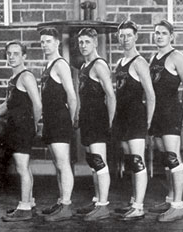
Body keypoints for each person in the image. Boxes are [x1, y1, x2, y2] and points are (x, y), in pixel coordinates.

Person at [0, 40, 42, 222]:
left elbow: (38, 104)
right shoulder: (13, 79)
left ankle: (24, 208)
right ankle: (30, 204)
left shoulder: (26, 77)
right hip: (16, 127)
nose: (12, 57)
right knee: (24, 167)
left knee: (21, 168)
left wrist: (34, 125)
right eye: (9, 53)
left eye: (16, 53)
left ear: (24, 56)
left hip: (23, 128)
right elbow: (8, 104)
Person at [148, 19, 183, 222]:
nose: (159, 36)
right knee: (166, 158)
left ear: (171, 36)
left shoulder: (177, 57)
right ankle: (170, 198)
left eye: (163, 33)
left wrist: (182, 110)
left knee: (173, 157)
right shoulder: (153, 58)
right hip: (157, 113)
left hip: (171, 111)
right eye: (156, 32)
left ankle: (178, 205)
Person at [112, 20, 156, 221]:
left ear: (135, 37)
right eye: (121, 35)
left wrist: (147, 121)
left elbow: (151, 95)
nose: (125, 39)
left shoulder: (140, 62)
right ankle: (133, 201)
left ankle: (139, 207)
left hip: (137, 116)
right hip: (123, 117)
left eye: (128, 35)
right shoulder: (120, 63)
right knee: (130, 160)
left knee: (138, 161)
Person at [74, 28, 116, 221]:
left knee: (99, 162)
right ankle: (98, 199)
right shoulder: (84, 66)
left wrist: (110, 122)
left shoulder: (99, 65)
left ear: (95, 43)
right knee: (93, 162)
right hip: (88, 119)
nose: (83, 46)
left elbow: (111, 96)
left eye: (87, 42)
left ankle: (103, 206)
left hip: (99, 119)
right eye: (81, 42)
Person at [39, 27, 77, 222]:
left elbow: (72, 95)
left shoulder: (61, 64)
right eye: (42, 42)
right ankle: (62, 200)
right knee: (57, 164)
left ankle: (67, 206)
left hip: (61, 119)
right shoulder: (47, 65)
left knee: (63, 163)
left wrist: (70, 121)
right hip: (51, 120)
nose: (44, 45)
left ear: (57, 43)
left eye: (48, 41)